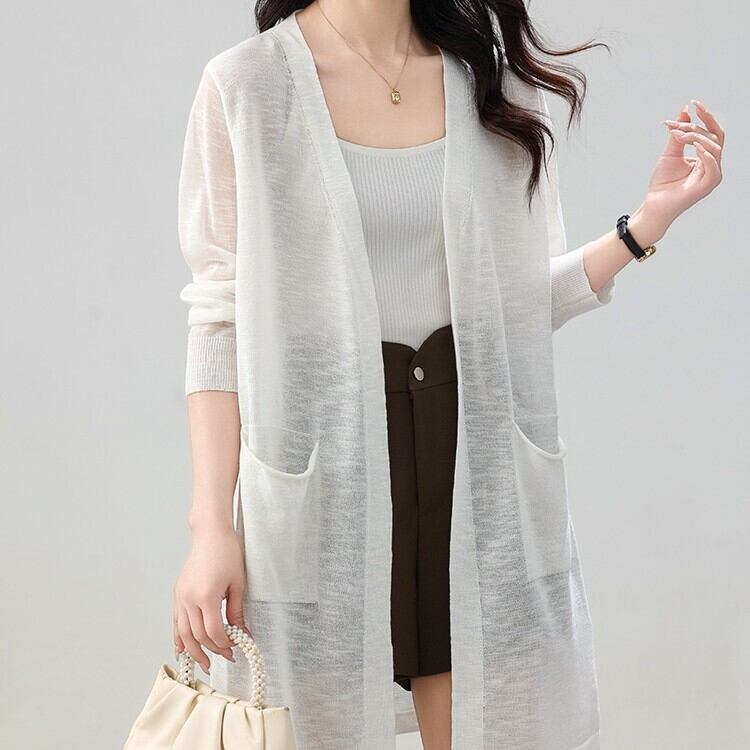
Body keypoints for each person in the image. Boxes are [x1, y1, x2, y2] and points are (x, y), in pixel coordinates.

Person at [172, 2, 725, 748]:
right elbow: (219, 320)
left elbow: (515, 308)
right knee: (312, 725)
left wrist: (645, 225)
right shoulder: (247, 88)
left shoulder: (492, 85)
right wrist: (211, 527)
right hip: (325, 479)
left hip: (477, 473)